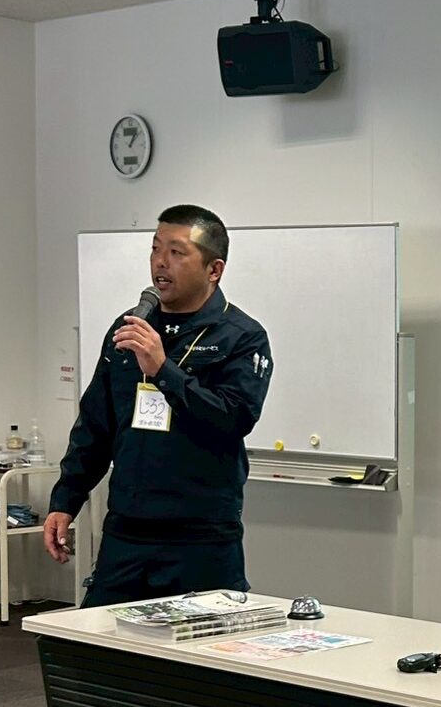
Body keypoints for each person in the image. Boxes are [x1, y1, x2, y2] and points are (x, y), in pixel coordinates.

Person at [42, 205, 273, 607]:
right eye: (155, 249)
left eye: (177, 252)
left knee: (202, 645)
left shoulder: (242, 337)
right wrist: (65, 501)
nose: (160, 262)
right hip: (127, 531)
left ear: (214, 270)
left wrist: (164, 371)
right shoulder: (130, 329)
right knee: (90, 641)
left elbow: (232, 419)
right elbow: (95, 426)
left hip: (200, 537)